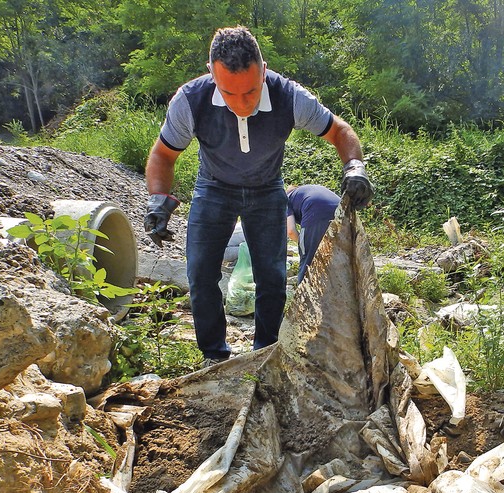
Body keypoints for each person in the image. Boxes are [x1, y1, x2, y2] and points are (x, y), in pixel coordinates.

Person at [143, 26, 373, 364]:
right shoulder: (191, 100)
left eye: (250, 92)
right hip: (214, 187)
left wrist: (355, 167)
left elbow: (340, 131)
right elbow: (163, 154)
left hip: (266, 190)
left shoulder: (289, 97)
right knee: (201, 272)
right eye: (229, 93)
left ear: (263, 71)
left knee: (273, 277)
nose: (241, 104)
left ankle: (265, 352)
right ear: (212, 75)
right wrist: (159, 199)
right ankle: (214, 355)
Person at [286, 184, 339, 284]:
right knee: (334, 259)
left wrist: (303, 242)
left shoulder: (286, 199)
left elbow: (291, 231)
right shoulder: (308, 190)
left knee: (308, 261)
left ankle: (303, 296)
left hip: (316, 211)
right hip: (341, 209)